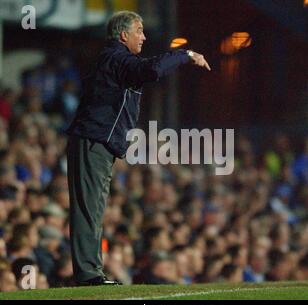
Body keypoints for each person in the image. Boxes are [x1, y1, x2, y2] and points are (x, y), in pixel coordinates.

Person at [65, 11, 211, 286]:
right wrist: (186, 54)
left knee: (94, 207)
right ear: (123, 35)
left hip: (98, 141)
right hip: (92, 140)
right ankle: (89, 275)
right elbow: (152, 70)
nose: (144, 37)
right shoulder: (116, 58)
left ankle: (91, 272)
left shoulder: (114, 59)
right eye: (139, 31)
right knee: (89, 208)